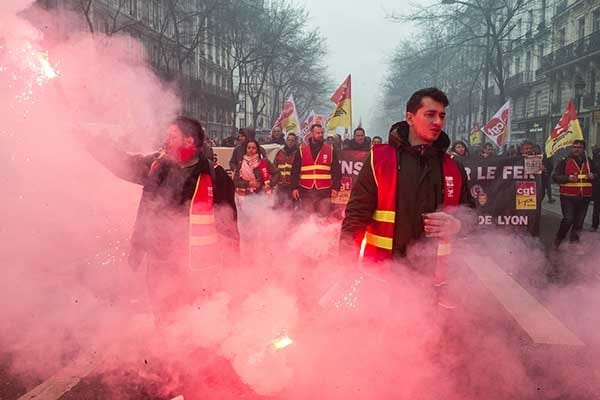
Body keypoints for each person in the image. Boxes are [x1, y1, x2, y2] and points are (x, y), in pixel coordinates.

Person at [340, 88, 474, 306]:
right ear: (409, 117)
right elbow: (355, 217)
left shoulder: (453, 166)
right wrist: (344, 266)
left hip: (434, 287)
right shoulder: (380, 159)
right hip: (382, 280)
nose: (438, 122)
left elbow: (472, 216)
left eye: (442, 116)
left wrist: (458, 224)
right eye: (430, 114)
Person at [87, 116, 227, 318]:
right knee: (163, 313)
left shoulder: (215, 176)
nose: (165, 141)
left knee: (191, 317)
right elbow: (123, 164)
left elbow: (229, 228)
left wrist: (232, 271)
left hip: (195, 266)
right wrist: (91, 143)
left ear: (189, 141)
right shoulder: (157, 167)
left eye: (172, 136)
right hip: (159, 259)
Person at [290, 124, 341, 216]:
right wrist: (294, 187)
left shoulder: (330, 150)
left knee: (323, 218)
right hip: (306, 190)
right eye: (318, 133)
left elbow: (337, 171)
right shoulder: (302, 150)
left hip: (325, 191)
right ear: (311, 133)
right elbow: (294, 171)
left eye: (322, 133)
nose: (320, 135)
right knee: (308, 218)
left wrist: (336, 188)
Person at [552, 140, 595, 248]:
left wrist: (593, 176)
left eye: (579, 147)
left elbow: (597, 176)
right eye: (574, 147)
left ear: (584, 149)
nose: (576, 149)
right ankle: (559, 238)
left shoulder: (589, 162)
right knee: (568, 219)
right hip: (568, 196)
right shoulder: (564, 161)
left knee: (579, 223)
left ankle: (573, 246)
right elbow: (555, 176)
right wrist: (568, 178)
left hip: (584, 197)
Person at [273, 132, 298, 208]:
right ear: (286, 140)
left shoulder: (298, 154)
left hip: (292, 186)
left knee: (291, 207)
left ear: (295, 142)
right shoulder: (280, 152)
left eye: (292, 140)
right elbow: (274, 168)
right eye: (288, 140)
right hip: (280, 186)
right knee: (279, 206)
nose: (290, 142)